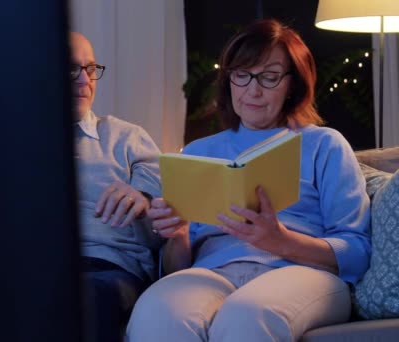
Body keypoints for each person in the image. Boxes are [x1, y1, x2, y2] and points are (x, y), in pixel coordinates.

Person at [125, 19, 371, 342]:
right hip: (213, 272)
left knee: (246, 315)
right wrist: (179, 235)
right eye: (242, 75)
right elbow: (176, 268)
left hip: (303, 273)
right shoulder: (198, 152)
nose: (253, 90)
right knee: (155, 312)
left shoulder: (324, 145)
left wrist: (280, 240)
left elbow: (357, 251)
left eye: (269, 77)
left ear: (292, 85)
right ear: (229, 81)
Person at [69, 32, 164, 342]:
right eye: (73, 69)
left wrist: (144, 199)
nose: (85, 80)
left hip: (108, 266)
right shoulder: (15, 140)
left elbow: (164, 218)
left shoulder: (127, 139)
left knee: (87, 296)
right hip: (33, 263)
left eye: (91, 69)